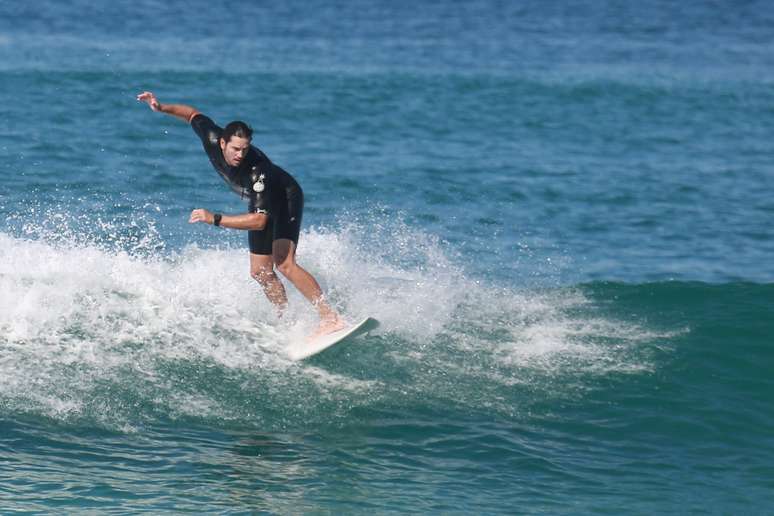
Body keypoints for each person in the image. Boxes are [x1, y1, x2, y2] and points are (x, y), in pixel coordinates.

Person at [136, 91, 345, 338]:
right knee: (260, 271)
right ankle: (286, 320)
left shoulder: (258, 170)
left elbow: (259, 221)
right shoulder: (212, 136)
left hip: (285, 198)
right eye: (236, 149)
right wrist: (161, 108)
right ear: (222, 143)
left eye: (245, 150)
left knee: (284, 263)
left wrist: (214, 218)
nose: (240, 155)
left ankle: (331, 318)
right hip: (261, 203)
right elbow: (192, 114)